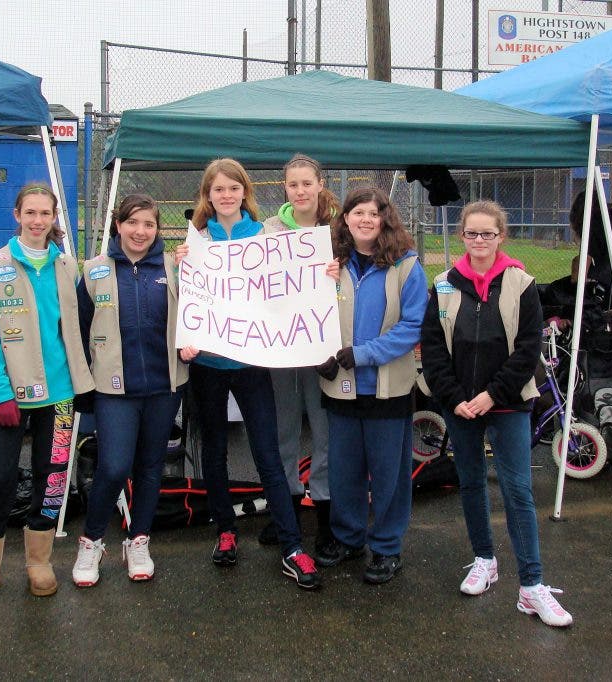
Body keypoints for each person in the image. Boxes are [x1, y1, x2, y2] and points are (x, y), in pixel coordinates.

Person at [419, 199, 573, 627]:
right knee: (471, 483)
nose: (479, 241)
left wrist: (491, 395)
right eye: (472, 234)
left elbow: (527, 351)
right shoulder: (445, 284)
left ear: (501, 236)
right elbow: (433, 348)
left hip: (506, 403)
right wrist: (454, 398)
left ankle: (532, 586)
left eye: (488, 233)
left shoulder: (521, 283)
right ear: (462, 236)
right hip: (460, 406)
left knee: (517, 490)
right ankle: (484, 560)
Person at [180, 158, 320, 590]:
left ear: (245, 193)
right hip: (207, 364)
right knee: (216, 453)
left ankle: (292, 545)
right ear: (207, 195)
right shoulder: (194, 242)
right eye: (217, 189)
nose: (226, 196)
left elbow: (295, 284)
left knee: (267, 454)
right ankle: (225, 530)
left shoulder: (264, 237)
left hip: (251, 363)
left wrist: (324, 273)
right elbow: (186, 299)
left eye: (233, 189)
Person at [0, 182, 95, 605]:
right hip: (11, 396)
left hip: (61, 395)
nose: (37, 221)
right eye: (30, 213)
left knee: (52, 480)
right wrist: (0, 393)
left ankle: (40, 562)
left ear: (55, 219)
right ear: (16, 215)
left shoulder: (68, 267)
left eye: (45, 214)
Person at [71, 194, 190, 586]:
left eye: (149, 224)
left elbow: (199, 315)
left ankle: (139, 541)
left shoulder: (175, 268)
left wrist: (193, 346)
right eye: (133, 223)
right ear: (118, 225)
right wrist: (84, 385)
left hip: (163, 386)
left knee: (151, 468)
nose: (141, 231)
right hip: (113, 389)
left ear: (159, 229)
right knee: (113, 467)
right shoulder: (93, 271)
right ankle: (91, 542)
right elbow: (77, 331)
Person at [314, 186, 427, 585]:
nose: (365, 219)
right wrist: (320, 355)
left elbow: (412, 326)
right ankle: (348, 538)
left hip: (387, 389)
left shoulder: (406, 265)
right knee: (344, 470)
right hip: (341, 389)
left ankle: (386, 547)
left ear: (384, 219)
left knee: (388, 475)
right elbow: (310, 314)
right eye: (357, 212)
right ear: (344, 219)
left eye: (373, 213)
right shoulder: (330, 263)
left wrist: (361, 353)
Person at [259, 153, 340, 552]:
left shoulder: (337, 229)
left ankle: (326, 515)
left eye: (308, 182)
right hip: (282, 348)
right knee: (283, 431)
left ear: (320, 183)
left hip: (324, 351)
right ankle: (286, 509)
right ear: (284, 188)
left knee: (325, 432)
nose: (301, 190)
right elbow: (250, 279)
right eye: (293, 184)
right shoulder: (268, 231)